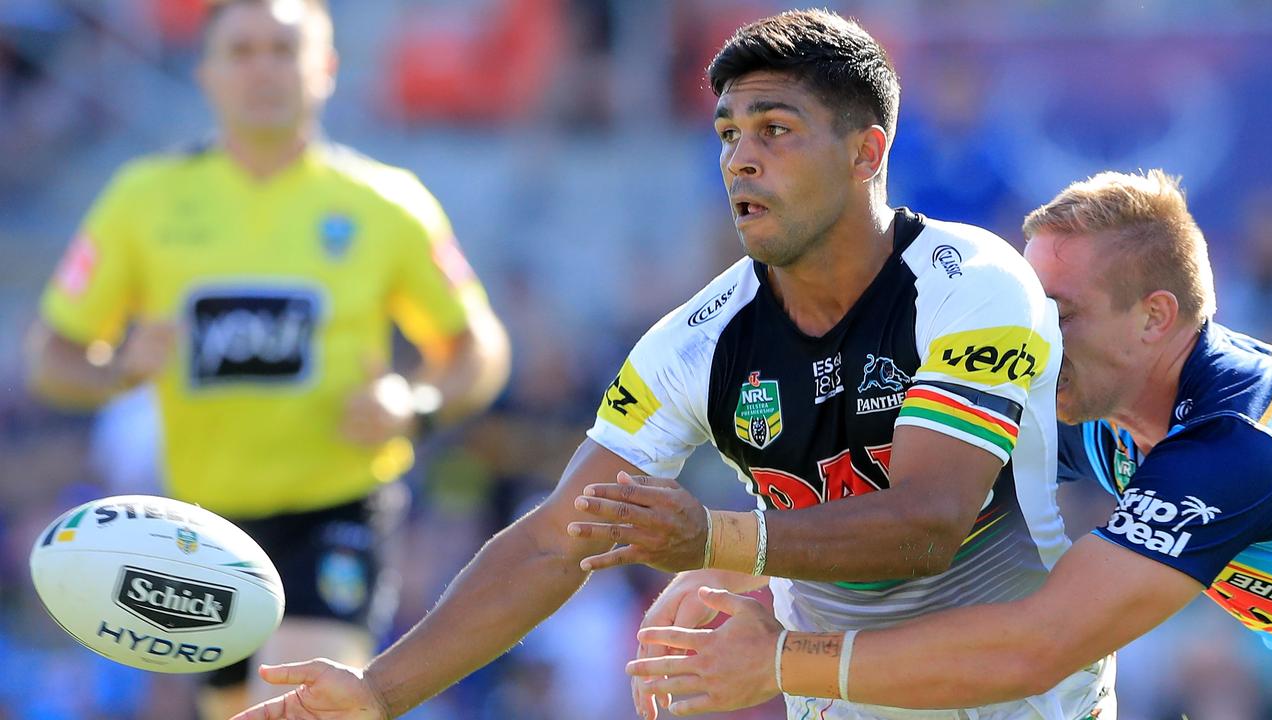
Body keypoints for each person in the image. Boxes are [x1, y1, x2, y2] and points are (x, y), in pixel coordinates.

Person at [233, 10, 1114, 720]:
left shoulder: (973, 283)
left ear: (866, 153)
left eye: (776, 129)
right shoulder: (698, 341)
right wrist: (379, 694)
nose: (741, 156)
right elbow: (554, 538)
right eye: (728, 132)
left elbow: (926, 525)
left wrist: (714, 541)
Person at [626, 169, 1272, 715]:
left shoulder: (1233, 446)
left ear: (1154, 317)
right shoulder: (1102, 398)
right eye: (1025, 307)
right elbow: (905, 494)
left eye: (1061, 314)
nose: (1035, 337)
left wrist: (778, 661)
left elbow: (1038, 647)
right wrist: (730, 560)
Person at [24, 1, 510, 718]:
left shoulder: (386, 204)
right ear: (206, 74)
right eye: (242, 51)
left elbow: (479, 348)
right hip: (196, 528)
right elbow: (50, 356)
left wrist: (415, 403)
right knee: (232, 710)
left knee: (295, 700)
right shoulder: (143, 200)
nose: (263, 70)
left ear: (327, 70)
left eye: (284, 50)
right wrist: (120, 369)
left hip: (336, 507)